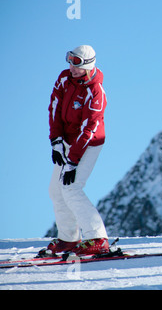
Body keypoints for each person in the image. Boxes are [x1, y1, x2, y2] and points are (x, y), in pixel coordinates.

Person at [43, 45, 109, 256]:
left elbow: (89, 129)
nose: (71, 66)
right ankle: (69, 238)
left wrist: (72, 161)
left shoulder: (95, 91)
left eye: (77, 62)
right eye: (70, 59)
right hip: (68, 141)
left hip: (88, 144)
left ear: (89, 64)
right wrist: (56, 141)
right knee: (56, 190)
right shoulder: (64, 79)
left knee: (71, 188)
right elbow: (55, 108)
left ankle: (97, 238)